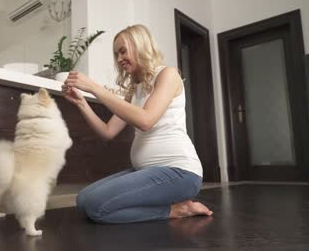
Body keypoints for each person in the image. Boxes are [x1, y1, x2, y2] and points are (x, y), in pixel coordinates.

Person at [61, 24, 213, 224]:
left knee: (96, 207)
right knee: (83, 200)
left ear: (140, 46)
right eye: (116, 54)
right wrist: (82, 103)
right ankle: (171, 206)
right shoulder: (135, 89)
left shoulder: (168, 74)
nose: (119, 58)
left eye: (123, 51)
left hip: (180, 172)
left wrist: (94, 88)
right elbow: (108, 132)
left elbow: (145, 120)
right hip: (145, 171)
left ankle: (175, 210)